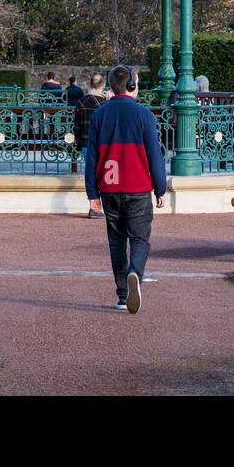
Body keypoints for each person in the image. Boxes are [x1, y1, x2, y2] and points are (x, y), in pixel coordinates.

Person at [84, 65, 167, 314]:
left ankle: (122, 295)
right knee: (140, 239)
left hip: (109, 190)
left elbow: (92, 158)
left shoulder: (100, 115)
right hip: (138, 188)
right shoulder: (144, 115)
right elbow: (155, 156)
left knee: (117, 243)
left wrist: (92, 193)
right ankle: (135, 273)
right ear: (131, 86)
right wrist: (160, 188)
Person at [73, 73, 109, 218]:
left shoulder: (81, 102)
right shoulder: (105, 104)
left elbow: (76, 126)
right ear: (103, 85)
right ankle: (104, 206)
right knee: (102, 173)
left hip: (85, 142)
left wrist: (78, 143)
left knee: (91, 173)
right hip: (102, 144)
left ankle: (94, 205)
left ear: (90, 84)